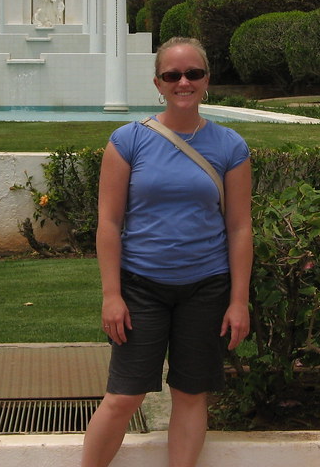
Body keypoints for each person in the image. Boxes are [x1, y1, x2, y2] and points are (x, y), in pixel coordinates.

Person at [81, 37, 253, 467]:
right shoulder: (128, 141)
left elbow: (239, 226)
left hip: (206, 288)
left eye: (193, 73)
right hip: (141, 288)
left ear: (207, 80)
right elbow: (108, 223)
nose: (183, 82)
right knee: (124, 396)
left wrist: (238, 301)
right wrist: (111, 294)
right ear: (158, 82)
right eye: (172, 75)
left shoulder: (230, 146)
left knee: (192, 395)